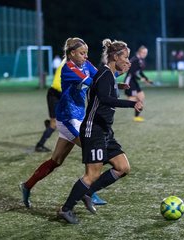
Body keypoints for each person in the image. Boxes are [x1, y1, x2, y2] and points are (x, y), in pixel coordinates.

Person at [58, 39, 143, 224]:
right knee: (92, 175)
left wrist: (119, 80)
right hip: (93, 130)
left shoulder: (109, 75)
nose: (128, 60)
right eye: (125, 57)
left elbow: (102, 87)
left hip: (105, 130)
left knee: (122, 167)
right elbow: (104, 99)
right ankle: (66, 209)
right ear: (115, 56)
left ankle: (87, 193)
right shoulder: (105, 74)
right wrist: (132, 103)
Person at [19, 37, 106, 208]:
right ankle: (89, 191)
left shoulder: (85, 65)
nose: (86, 57)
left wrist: (115, 80)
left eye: (86, 53)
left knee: (56, 161)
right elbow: (92, 83)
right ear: (72, 53)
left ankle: (27, 186)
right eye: (82, 53)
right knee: (92, 149)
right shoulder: (69, 68)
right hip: (67, 119)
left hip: (79, 118)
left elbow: (100, 77)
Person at [34, 61, 63, 152]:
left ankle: (48, 126)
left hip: (60, 95)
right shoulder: (66, 64)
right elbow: (57, 85)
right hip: (55, 95)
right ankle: (40, 145)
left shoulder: (73, 64)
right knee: (54, 124)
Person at [124, 45, 152, 122]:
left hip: (134, 81)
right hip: (130, 81)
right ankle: (117, 103)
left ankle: (136, 117)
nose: (145, 54)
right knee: (133, 99)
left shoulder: (141, 60)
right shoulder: (135, 60)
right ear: (139, 52)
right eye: (143, 52)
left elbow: (140, 72)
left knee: (141, 97)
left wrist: (147, 79)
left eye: (146, 53)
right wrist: (140, 79)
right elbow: (132, 73)